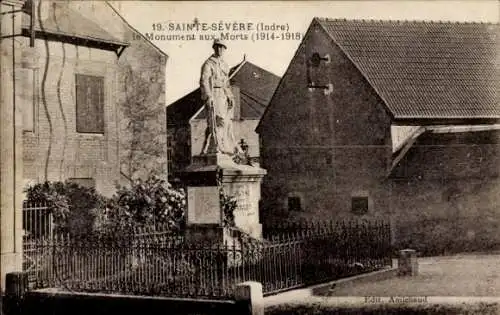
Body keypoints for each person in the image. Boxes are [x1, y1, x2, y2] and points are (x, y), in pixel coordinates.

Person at [199, 39, 241, 156]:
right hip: (214, 93)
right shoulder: (208, 64)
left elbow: (226, 83)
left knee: (225, 122)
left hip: (223, 94)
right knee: (217, 120)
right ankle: (218, 146)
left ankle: (210, 147)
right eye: (217, 47)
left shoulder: (224, 64)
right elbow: (204, 81)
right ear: (214, 48)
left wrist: (230, 96)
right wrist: (208, 96)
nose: (219, 49)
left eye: (222, 47)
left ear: (224, 49)